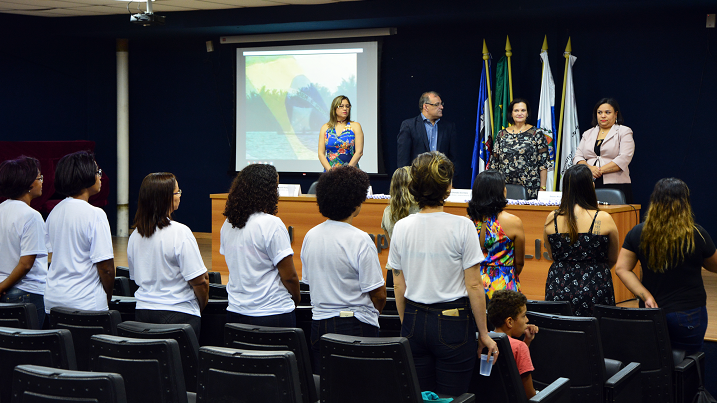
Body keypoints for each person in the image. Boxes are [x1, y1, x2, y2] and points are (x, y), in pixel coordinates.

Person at [388, 151, 498, 396]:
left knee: (422, 396)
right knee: (453, 398)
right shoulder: (463, 226)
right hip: (453, 322)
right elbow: (474, 286)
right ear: (448, 188)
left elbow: (398, 285)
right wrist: (484, 333)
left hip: (414, 318)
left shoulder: (401, 227)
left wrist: (409, 325)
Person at [616, 178, 717, 353]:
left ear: (654, 201)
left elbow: (621, 268)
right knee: (690, 365)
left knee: (656, 364)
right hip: (689, 314)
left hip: (651, 312)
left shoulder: (638, 232)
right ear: (685, 203)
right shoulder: (698, 234)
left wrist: (645, 296)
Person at [301, 165, 386, 372]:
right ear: (355, 203)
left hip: (319, 326)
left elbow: (309, 282)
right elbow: (379, 295)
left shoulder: (310, 235)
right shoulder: (360, 239)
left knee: (327, 388)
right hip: (355, 327)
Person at [127, 173, 209, 339]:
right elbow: (200, 280)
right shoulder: (180, 232)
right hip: (179, 315)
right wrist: (199, 306)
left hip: (143, 314)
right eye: (177, 192)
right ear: (166, 198)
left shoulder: (135, 235)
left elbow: (136, 278)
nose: (179, 196)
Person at [221, 164, 300, 327]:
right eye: (275, 188)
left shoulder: (228, 224)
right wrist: (297, 300)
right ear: (267, 192)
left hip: (236, 312)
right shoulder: (272, 223)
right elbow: (289, 276)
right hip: (273, 313)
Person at [44, 151, 115, 315]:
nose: (100, 177)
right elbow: (106, 268)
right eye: (98, 172)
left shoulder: (54, 211)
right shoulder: (95, 214)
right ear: (86, 176)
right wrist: (108, 296)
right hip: (85, 302)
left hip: (53, 299)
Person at [543, 164, 619, 316]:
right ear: (590, 186)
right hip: (595, 287)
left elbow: (551, 255)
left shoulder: (553, 217)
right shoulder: (603, 218)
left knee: (560, 333)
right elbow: (612, 258)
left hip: (558, 286)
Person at [0, 156, 48, 326]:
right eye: (39, 178)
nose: (42, 182)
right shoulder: (31, 216)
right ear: (28, 183)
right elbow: (26, 264)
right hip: (26, 293)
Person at [468, 170, 525, 299]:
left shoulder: (466, 222)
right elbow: (519, 263)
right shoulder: (513, 222)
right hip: (503, 287)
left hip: (472, 284)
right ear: (500, 192)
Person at [574, 98, 635, 203]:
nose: (603, 116)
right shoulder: (588, 133)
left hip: (616, 184)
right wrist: (589, 169)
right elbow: (577, 156)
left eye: (608, 112)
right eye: (599, 112)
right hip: (589, 183)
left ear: (616, 114)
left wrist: (599, 170)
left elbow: (624, 158)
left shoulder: (624, 131)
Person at [491, 98, 551, 199]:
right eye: (516, 110)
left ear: (527, 113)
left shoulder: (536, 133)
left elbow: (543, 164)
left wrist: (543, 188)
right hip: (503, 188)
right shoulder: (501, 134)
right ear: (511, 113)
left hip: (530, 188)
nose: (520, 113)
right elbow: (494, 163)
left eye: (523, 110)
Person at [487, 290, 539, 399]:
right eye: (524, 316)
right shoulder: (519, 347)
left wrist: (527, 341)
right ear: (509, 322)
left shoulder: (483, 341)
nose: (527, 320)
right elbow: (529, 395)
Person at [397, 91, 458, 174]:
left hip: (441, 182)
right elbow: (403, 159)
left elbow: (453, 159)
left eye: (441, 104)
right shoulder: (409, 126)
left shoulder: (448, 127)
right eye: (437, 104)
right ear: (425, 107)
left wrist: (451, 183)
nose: (441, 107)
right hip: (416, 182)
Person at [381, 166, 419, 286]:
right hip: (416, 272)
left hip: (394, 271)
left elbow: (391, 244)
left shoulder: (387, 212)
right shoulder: (422, 211)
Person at [318, 95, 364, 170]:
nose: (345, 109)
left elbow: (359, 152)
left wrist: (346, 172)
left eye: (347, 106)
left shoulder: (355, 126)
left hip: (350, 173)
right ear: (334, 108)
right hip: (330, 173)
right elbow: (321, 154)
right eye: (341, 106)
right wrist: (330, 171)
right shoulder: (325, 128)